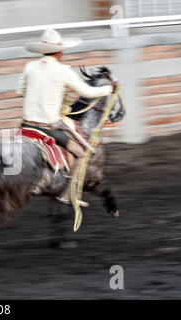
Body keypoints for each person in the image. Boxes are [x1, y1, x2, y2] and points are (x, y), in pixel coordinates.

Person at [16, 28, 117, 206]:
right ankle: (67, 195)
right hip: (49, 127)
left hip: (25, 126)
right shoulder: (63, 71)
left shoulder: (29, 67)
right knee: (83, 153)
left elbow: (19, 92)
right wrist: (109, 89)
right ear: (59, 52)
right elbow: (87, 91)